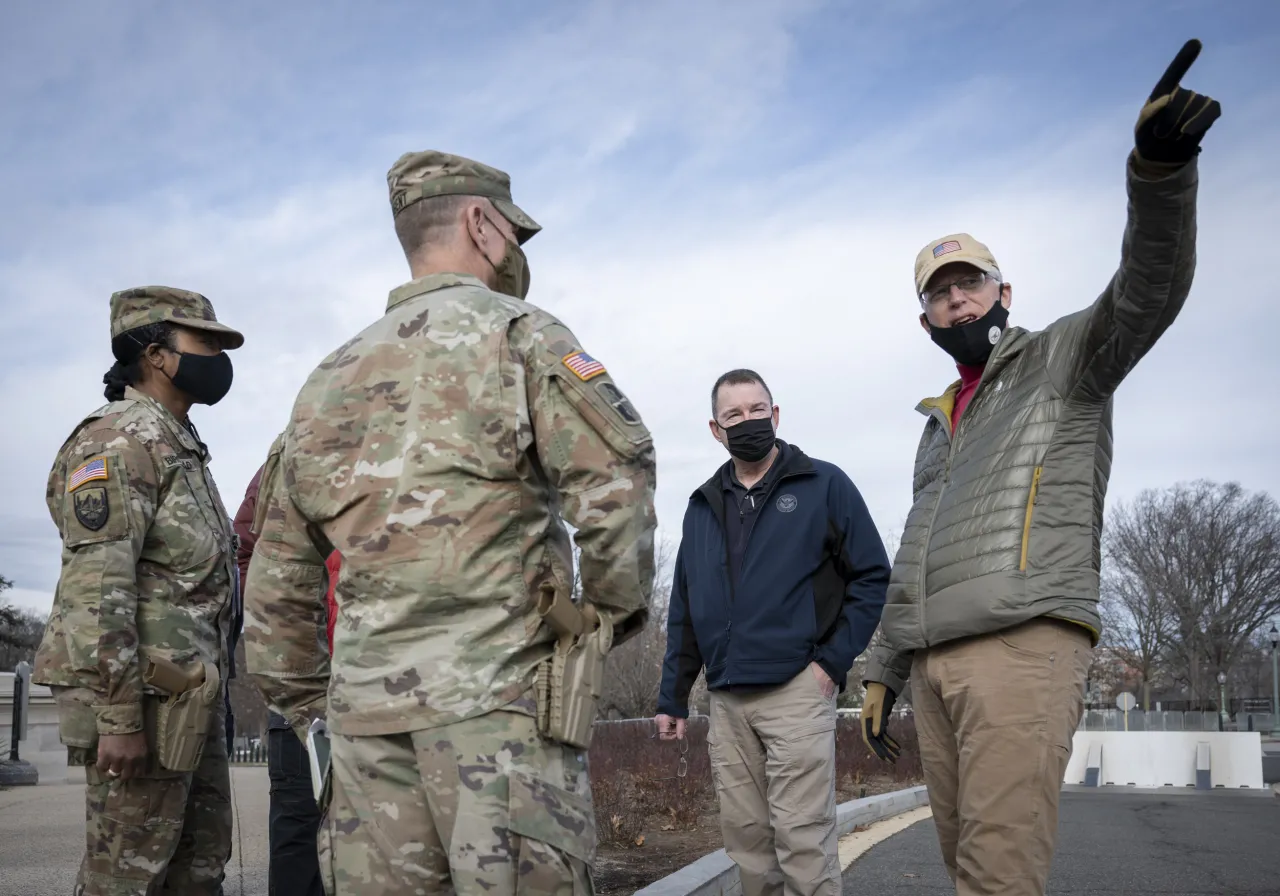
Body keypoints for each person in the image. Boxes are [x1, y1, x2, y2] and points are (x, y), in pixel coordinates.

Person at [860, 39, 1222, 896]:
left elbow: (1148, 286)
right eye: (941, 293)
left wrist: (1159, 172)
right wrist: (881, 666)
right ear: (927, 321)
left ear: (1003, 293)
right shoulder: (937, 422)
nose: (958, 300)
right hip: (936, 662)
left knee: (997, 867)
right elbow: (913, 552)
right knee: (963, 862)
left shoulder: (1067, 357)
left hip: (1022, 646)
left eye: (971, 283)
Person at [243, 149, 657, 895]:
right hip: (498, 718)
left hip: (365, 737)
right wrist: (601, 621)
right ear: (480, 222)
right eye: (513, 236)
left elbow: (275, 582)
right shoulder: (521, 335)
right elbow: (615, 477)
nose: (516, 256)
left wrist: (313, 700)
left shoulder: (324, 382)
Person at [32, 285, 244, 895]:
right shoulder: (119, 441)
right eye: (206, 343)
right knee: (128, 870)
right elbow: (97, 591)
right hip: (144, 705)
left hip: (188, 700)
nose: (220, 356)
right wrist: (119, 718)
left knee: (199, 859)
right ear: (156, 354)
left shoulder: (177, 444)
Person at [654, 368, 891, 896]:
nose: (747, 421)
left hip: (797, 691)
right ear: (716, 430)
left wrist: (831, 664)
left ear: (775, 415)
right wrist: (672, 696)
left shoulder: (824, 485)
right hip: (728, 701)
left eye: (756, 409)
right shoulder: (701, 506)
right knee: (749, 850)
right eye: (732, 415)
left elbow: (872, 575)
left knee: (804, 845)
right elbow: (685, 609)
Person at [233, 462, 336, 896]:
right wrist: (281, 640)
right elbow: (244, 551)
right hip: (303, 686)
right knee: (299, 837)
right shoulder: (296, 452)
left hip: (392, 677)